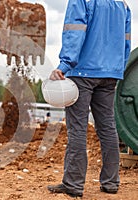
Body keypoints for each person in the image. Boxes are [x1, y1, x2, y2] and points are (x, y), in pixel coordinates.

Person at [47, 0, 131, 198]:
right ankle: (111, 183)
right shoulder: (122, 4)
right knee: (108, 128)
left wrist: (65, 64)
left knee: (78, 128)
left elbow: (74, 31)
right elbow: (126, 41)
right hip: (111, 72)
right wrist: (118, 69)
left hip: (83, 71)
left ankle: (73, 185)